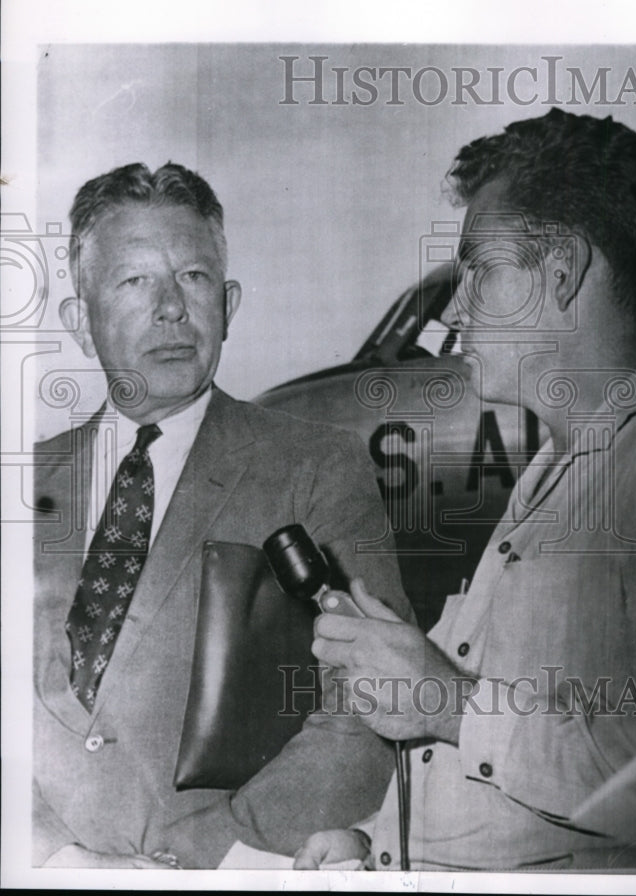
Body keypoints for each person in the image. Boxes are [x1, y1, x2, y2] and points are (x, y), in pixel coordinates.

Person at [295, 109, 636, 872]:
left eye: (480, 268)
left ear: (562, 273)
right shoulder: (555, 473)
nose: (460, 304)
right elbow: (516, 763)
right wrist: (376, 842)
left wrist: (444, 700)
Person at [33, 162, 411, 869]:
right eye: (134, 281)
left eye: (195, 278)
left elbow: (367, 707)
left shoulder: (316, 468)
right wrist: (54, 860)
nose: (171, 307)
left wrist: (209, 855)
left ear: (229, 306)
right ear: (79, 324)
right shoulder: (22, 485)